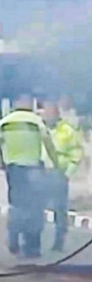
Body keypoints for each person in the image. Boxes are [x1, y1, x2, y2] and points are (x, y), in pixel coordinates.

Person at [0, 94, 61, 258]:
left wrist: (3, 163)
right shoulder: (35, 121)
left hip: (13, 170)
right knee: (34, 207)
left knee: (17, 205)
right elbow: (48, 143)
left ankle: (13, 238)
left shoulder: (5, 122)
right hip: (33, 169)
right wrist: (56, 166)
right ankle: (32, 247)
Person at [41, 102, 85, 251]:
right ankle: (34, 240)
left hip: (58, 174)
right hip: (40, 173)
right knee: (36, 208)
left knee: (59, 209)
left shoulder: (68, 131)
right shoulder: (39, 129)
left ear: (57, 115)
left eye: (50, 114)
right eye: (45, 113)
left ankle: (59, 241)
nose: (46, 116)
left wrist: (67, 173)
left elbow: (76, 153)